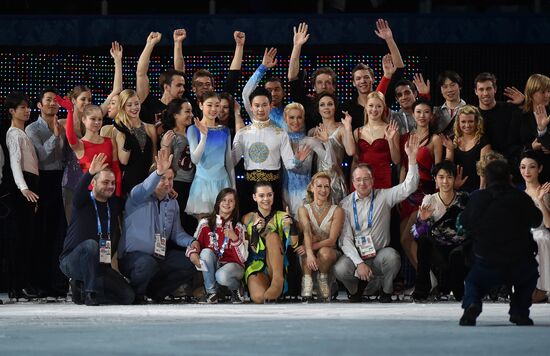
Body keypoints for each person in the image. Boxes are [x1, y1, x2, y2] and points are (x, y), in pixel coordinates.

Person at [334, 134, 420, 303]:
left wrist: (411, 159)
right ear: (353, 182)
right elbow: (345, 240)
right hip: (357, 254)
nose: (362, 183)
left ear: (373, 181)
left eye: (366, 179)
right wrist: (359, 263)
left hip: (379, 254)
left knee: (393, 257)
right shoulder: (344, 204)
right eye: (358, 180)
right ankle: (355, 291)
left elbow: (409, 187)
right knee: (340, 268)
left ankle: (386, 290)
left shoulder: (384, 196)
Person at [459, 160, 541, 326]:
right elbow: (536, 220)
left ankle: (473, 303)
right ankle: (519, 311)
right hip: (519, 263)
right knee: (530, 276)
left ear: (486, 178)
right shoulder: (521, 197)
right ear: (510, 177)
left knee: (473, 281)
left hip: (486, 261)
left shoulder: (477, 198)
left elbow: (463, 224)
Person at [118, 148, 199, 303]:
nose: (167, 183)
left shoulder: (172, 202)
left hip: (158, 257)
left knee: (189, 262)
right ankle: (136, 294)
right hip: (133, 258)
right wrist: (157, 173)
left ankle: (155, 292)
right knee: (147, 264)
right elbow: (145, 187)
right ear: (152, 179)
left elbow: (177, 234)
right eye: (163, 178)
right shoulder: (137, 196)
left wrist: (192, 242)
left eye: (170, 178)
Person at [59, 153, 134, 306]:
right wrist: (90, 172)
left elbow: (136, 197)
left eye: (113, 183)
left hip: (100, 265)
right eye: (105, 182)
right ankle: (90, 294)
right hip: (72, 261)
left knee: (128, 297)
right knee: (91, 245)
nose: (110, 186)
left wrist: (161, 192)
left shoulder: (113, 204)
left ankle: (82, 290)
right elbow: (79, 190)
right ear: (93, 183)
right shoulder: (83, 201)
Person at [232, 87, 310, 213]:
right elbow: (232, 161)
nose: (260, 109)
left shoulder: (280, 133)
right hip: (249, 188)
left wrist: (297, 161)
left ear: (271, 106)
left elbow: (289, 164)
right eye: (257, 105)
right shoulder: (242, 133)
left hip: (272, 187)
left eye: (264, 105)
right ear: (251, 107)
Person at [25, 87, 68, 298]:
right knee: (42, 234)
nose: (53, 103)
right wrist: (56, 136)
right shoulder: (32, 129)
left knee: (59, 234)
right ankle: (40, 282)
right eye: (48, 100)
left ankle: (57, 283)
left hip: (62, 181)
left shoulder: (62, 125)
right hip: (43, 181)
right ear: (40, 105)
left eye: (55, 100)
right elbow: (41, 156)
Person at [410, 160, 469, 301]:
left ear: (454, 179)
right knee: (424, 241)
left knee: (460, 251)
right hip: (438, 250)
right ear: (435, 179)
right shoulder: (429, 200)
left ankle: (460, 290)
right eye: (441, 177)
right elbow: (417, 234)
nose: (445, 181)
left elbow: (470, 228)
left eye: (449, 177)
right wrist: (423, 220)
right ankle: (422, 290)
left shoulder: (463, 199)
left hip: (459, 248)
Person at [398, 99, 444, 270]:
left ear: (431, 115)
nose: (422, 115)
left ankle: (427, 280)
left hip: (423, 193)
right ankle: (424, 279)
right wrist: (400, 194)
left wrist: (438, 196)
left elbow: (438, 169)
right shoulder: (406, 137)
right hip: (406, 193)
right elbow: (403, 166)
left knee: (407, 238)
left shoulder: (435, 139)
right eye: (418, 112)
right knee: (404, 241)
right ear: (413, 114)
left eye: (426, 112)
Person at [5, 92, 40, 299]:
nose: (27, 111)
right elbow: (15, 162)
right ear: (12, 111)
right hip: (23, 189)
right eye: (22, 108)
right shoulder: (14, 134)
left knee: (27, 239)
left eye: (28, 107)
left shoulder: (23, 133)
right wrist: (23, 188)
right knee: (21, 239)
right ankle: (16, 286)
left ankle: (22, 285)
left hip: (30, 186)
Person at [341, 18, 405, 130]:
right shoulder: (347, 107)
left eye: (366, 77)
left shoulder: (383, 98)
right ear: (353, 83)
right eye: (358, 78)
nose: (363, 81)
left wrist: (389, 40)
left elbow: (399, 68)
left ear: (373, 79)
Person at [243, 182, 300, 304]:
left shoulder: (281, 216)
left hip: (275, 266)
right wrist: (254, 230)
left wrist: (291, 225)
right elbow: (251, 248)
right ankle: (270, 289)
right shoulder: (247, 218)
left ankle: (277, 281)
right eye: (261, 195)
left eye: (269, 195)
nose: (266, 199)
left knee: (272, 236)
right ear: (254, 197)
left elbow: (294, 244)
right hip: (256, 264)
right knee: (259, 297)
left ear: (273, 195)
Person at [55, 96, 123, 197]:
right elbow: (70, 136)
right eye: (93, 119)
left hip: (109, 193)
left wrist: (117, 194)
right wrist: (70, 112)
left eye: (100, 119)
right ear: (84, 119)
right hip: (88, 194)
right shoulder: (80, 145)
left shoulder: (110, 141)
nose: (97, 122)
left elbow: (116, 168)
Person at [190, 188, 248, 304]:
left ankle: (237, 288)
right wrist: (193, 253)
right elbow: (195, 242)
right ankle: (212, 294)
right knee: (206, 252)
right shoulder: (205, 223)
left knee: (221, 276)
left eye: (231, 201)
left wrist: (235, 238)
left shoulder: (239, 227)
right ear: (218, 203)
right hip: (214, 265)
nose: (227, 203)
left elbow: (244, 258)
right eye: (224, 200)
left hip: (233, 267)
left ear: (235, 204)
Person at [295, 172, 344, 302]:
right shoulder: (303, 209)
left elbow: (332, 240)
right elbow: (306, 232)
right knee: (306, 251)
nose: (323, 190)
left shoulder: (337, 210)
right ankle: (307, 285)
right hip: (311, 245)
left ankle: (323, 279)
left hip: (330, 250)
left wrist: (309, 247)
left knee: (324, 252)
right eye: (319, 186)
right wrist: (309, 251)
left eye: (326, 186)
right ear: (311, 187)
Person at [184, 91, 235, 217]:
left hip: (223, 182)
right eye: (209, 105)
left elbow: (228, 162)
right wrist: (204, 136)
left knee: (224, 228)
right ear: (201, 105)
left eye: (217, 105)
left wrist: (233, 188)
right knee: (204, 229)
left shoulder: (225, 130)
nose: (214, 109)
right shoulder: (193, 129)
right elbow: (195, 159)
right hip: (203, 184)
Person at [175, 29, 245, 119]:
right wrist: (178, 42)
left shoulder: (220, 103)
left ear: (213, 87)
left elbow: (233, 76)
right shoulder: (189, 104)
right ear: (193, 88)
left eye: (208, 84)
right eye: (200, 84)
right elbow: (179, 73)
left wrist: (239, 45)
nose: (205, 87)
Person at [282, 102, 328, 218]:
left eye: (299, 117)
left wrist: (327, 142)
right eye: (291, 117)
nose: (296, 121)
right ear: (285, 119)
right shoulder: (281, 140)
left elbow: (329, 161)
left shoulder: (310, 141)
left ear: (303, 118)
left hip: (305, 193)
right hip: (285, 191)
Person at [309, 92, 355, 204]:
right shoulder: (312, 132)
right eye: (322, 104)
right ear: (318, 108)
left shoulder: (342, 129)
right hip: (318, 183)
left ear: (335, 107)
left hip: (335, 181)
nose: (326, 107)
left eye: (330, 104)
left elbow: (351, 151)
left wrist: (348, 128)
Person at [160, 98, 196, 234]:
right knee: (177, 221)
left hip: (194, 184)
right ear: (176, 114)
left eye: (191, 111)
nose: (191, 115)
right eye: (187, 111)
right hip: (177, 184)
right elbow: (165, 164)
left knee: (190, 222)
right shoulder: (170, 135)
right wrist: (168, 185)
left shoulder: (193, 133)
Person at [518, 150, 550, 303]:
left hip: (541, 234)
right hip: (524, 236)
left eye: (531, 167)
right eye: (523, 167)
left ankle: (543, 288)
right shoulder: (520, 195)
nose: (527, 171)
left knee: (537, 239)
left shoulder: (546, 192)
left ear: (540, 169)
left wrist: (541, 200)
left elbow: (548, 223)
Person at [136, 31, 186, 126]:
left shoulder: (183, 104)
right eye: (178, 85)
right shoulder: (149, 104)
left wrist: (178, 43)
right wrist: (149, 44)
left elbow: (180, 71)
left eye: (183, 85)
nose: (183, 89)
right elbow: (141, 74)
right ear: (166, 87)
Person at [113, 89, 158, 195]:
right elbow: (124, 160)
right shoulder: (119, 130)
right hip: (130, 182)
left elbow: (154, 154)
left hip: (148, 179)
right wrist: (128, 135)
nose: (134, 108)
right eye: (129, 105)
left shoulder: (150, 128)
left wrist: (154, 179)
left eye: (136, 103)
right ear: (123, 107)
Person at [508, 73, 550, 183]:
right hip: (525, 177)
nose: (547, 95)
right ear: (531, 93)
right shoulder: (519, 115)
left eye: (549, 91)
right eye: (543, 92)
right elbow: (511, 147)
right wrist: (530, 147)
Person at [354, 91, 400, 189]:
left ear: (384, 108)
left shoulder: (391, 129)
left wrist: (390, 140)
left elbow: (396, 160)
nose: (374, 109)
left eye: (379, 106)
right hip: (362, 182)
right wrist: (352, 184)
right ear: (366, 107)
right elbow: (355, 161)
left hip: (383, 180)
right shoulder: (357, 131)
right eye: (371, 105)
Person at [473, 72, 524, 159]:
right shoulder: (473, 115)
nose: (485, 93)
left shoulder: (509, 109)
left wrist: (524, 103)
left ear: (495, 89)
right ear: (476, 91)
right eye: (481, 89)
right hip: (484, 164)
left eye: (488, 89)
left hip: (510, 162)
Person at [449, 105, 492, 193]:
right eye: (463, 122)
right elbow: (447, 166)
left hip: (476, 188)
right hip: (454, 188)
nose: (467, 125)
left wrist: (481, 191)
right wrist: (453, 185)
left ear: (477, 122)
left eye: (471, 121)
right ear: (458, 123)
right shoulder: (452, 140)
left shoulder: (484, 142)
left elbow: (483, 170)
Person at [242, 47, 287, 129]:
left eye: (277, 89)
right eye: (269, 90)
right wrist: (262, 68)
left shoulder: (290, 113)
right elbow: (246, 94)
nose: (273, 93)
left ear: (284, 93)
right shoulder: (258, 112)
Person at [433, 70, 467, 136]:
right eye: (445, 87)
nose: (449, 90)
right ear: (441, 90)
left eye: (452, 85)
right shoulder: (435, 112)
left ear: (460, 86)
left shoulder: (472, 110)